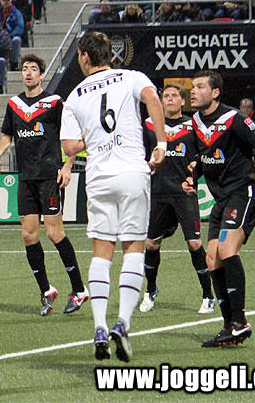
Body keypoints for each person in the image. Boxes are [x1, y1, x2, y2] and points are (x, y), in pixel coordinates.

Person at [60, 31, 166, 362]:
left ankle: (99, 327)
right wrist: (161, 142)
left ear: (84, 56)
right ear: (110, 55)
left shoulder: (74, 96)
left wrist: (92, 138)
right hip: (132, 172)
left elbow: (69, 147)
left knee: (101, 252)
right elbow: (152, 98)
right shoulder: (131, 77)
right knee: (133, 247)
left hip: (99, 178)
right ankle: (123, 323)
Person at [0, 54, 88, 316]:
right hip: (26, 177)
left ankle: (79, 289)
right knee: (28, 235)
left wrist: (67, 166)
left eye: (33, 69)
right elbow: (7, 134)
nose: (28, 73)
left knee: (54, 233)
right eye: (25, 69)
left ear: (42, 75)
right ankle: (46, 290)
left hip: (49, 176)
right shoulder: (14, 105)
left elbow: (73, 136)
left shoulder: (55, 103)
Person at [183, 71, 255, 348]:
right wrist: (192, 176)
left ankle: (240, 322)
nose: (193, 91)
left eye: (199, 87)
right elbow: (202, 158)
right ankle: (228, 326)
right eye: (193, 86)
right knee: (212, 260)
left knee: (226, 250)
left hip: (244, 192)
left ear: (215, 93)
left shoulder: (234, 118)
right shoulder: (196, 122)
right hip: (221, 199)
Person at [139, 84, 215, 315]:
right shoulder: (150, 125)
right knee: (151, 244)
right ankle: (150, 290)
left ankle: (208, 296)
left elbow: (205, 157)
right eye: (166, 96)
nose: (169, 99)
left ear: (183, 101)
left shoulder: (193, 126)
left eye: (174, 96)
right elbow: (140, 155)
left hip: (184, 194)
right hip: (158, 193)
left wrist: (195, 174)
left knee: (194, 244)